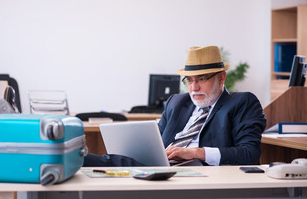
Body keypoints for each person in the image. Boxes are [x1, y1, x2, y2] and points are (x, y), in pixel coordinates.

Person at [83, 45, 266, 166]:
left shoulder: (242, 102)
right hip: (160, 168)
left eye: (201, 79)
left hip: (198, 173)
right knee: (90, 162)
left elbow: (249, 154)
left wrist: (195, 153)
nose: (194, 88)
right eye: (190, 80)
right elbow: (156, 142)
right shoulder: (177, 102)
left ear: (222, 77)